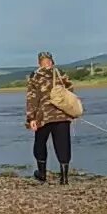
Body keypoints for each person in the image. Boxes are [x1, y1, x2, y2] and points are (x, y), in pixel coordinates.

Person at [25, 51, 75, 184]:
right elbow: (71, 92)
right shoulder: (61, 74)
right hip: (62, 116)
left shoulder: (35, 77)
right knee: (63, 146)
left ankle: (42, 174)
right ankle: (64, 178)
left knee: (40, 144)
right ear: (52, 61)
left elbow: (32, 99)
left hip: (44, 117)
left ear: (39, 63)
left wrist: (31, 119)